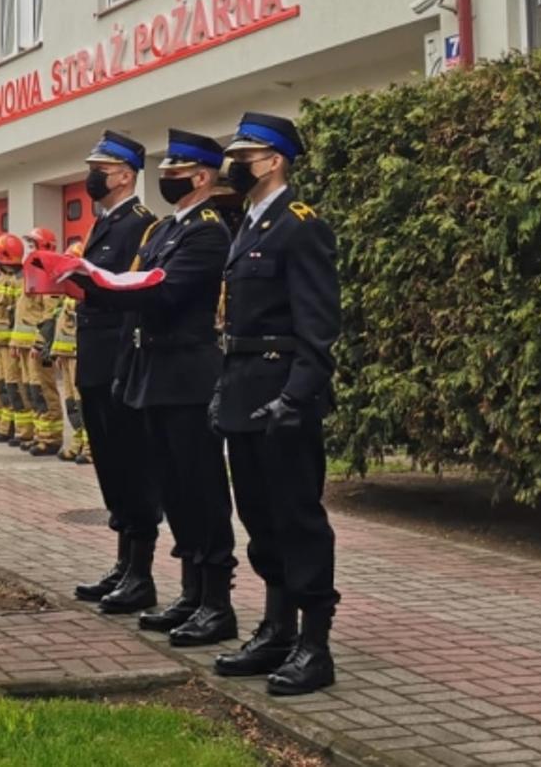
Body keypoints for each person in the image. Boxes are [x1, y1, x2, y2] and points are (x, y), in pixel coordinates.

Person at [76, 129, 237, 646]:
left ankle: (215, 600)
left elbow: (162, 291)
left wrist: (93, 282)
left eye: (177, 167)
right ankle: (191, 594)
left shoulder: (208, 231)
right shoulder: (166, 229)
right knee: (175, 488)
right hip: (154, 375)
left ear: (201, 175)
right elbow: (139, 284)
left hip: (187, 376)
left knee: (200, 489)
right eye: (165, 165)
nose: (166, 175)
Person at [208, 112, 342, 696]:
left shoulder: (299, 225)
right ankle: (276, 628)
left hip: (283, 392)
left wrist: (297, 395)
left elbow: (318, 327)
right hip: (243, 389)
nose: (233, 164)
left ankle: (315, 646)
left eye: (245, 154)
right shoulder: (249, 225)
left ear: (274, 160)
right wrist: (223, 389)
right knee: (260, 521)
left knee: (297, 519)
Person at [70, 130, 164, 615]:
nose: (93, 178)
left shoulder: (141, 225)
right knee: (109, 464)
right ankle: (123, 564)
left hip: (118, 362)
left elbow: (128, 291)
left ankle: (140, 573)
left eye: (100, 170)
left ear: (125, 175)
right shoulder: (105, 222)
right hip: (95, 360)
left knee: (131, 465)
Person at [13, 227, 65, 457]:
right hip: (24, 346)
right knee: (33, 390)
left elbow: (49, 315)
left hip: (37, 346)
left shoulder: (49, 276)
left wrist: (39, 343)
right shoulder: (32, 274)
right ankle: (39, 433)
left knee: (44, 391)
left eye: (33, 245)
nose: (29, 250)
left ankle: (51, 438)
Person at [51, 239, 90, 465]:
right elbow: (59, 325)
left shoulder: (86, 293)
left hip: (78, 355)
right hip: (65, 355)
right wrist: (55, 350)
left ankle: (90, 446)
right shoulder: (68, 292)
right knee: (71, 402)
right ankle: (76, 442)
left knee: (82, 401)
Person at [0, 233, 25, 444]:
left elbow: (17, 316)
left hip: (11, 343)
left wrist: (15, 343)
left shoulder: (19, 282)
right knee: (2, 385)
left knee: (14, 386)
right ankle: (6, 426)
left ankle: (19, 429)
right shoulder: (1, 280)